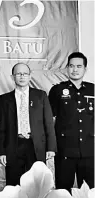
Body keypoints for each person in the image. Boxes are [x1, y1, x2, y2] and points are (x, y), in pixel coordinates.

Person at [0, 63, 57, 186]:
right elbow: (1, 128)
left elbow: (48, 123)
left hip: (36, 145)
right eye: (18, 74)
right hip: (13, 145)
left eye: (25, 74)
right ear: (12, 77)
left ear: (30, 76)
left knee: (36, 184)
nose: (22, 76)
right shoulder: (4, 99)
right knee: (14, 185)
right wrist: (1, 151)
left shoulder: (41, 95)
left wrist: (51, 147)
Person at [48, 52, 94, 191]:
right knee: (63, 191)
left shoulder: (93, 89)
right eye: (71, 66)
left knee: (89, 191)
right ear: (67, 68)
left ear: (85, 69)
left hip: (89, 150)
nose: (75, 69)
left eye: (79, 66)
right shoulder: (57, 90)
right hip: (65, 150)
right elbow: (51, 120)